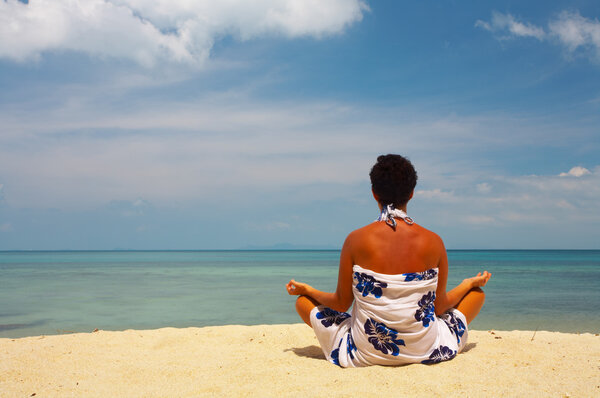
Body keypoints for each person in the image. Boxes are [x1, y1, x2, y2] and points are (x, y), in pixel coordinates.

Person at [286, 154, 491, 367]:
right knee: (476, 295)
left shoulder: (355, 240)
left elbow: (341, 303)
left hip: (368, 350)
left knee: (302, 302)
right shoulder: (434, 241)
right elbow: (439, 308)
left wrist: (308, 290)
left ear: (374, 193)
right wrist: (468, 284)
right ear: (411, 194)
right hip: (423, 348)